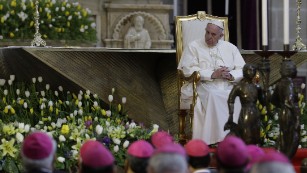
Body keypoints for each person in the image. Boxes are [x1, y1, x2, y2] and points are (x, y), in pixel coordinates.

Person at [177, 20, 245, 145]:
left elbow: (242, 69)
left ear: (221, 35)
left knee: (237, 96)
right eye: (207, 32)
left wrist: (230, 75)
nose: (209, 37)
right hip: (203, 85)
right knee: (214, 95)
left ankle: (235, 137)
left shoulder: (230, 48)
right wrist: (212, 74)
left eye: (213, 34)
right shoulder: (193, 46)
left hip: (227, 84)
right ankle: (218, 139)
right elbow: (187, 70)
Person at [225, 64, 262, 145]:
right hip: (245, 112)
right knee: (246, 137)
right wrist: (231, 114)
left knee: (256, 137)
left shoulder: (257, 87)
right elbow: (230, 100)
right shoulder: (239, 87)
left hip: (255, 113)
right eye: (249, 70)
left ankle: (255, 155)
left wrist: (265, 91)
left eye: (253, 70)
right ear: (244, 72)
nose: (252, 72)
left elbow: (263, 102)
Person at [270, 59, 300, 159]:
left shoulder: (280, 83)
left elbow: (273, 100)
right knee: (293, 137)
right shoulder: (289, 84)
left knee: (284, 135)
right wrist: (297, 118)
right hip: (290, 113)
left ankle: (279, 155)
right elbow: (289, 102)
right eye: (293, 68)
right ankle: (285, 159)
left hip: (284, 111)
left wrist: (282, 106)